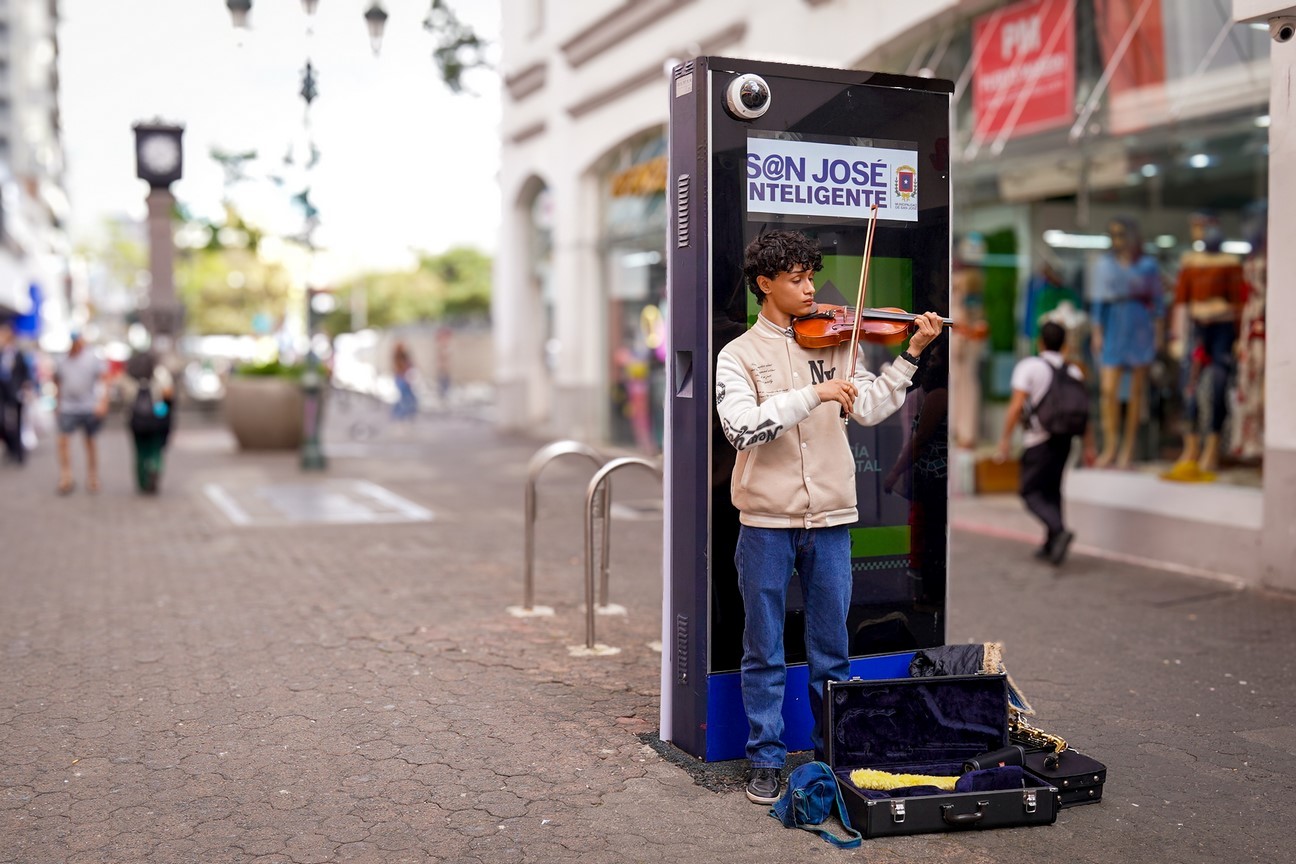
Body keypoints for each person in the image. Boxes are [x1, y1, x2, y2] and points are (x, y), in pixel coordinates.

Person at [714, 229, 944, 805]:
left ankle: (831, 754)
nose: (811, 289)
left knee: (831, 648)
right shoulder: (737, 355)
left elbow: (868, 407)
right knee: (763, 649)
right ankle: (765, 759)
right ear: (765, 285)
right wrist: (813, 396)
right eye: (797, 279)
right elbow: (741, 427)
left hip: (833, 520)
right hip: (766, 522)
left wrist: (911, 355)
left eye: (812, 276)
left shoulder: (839, 342)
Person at [995, 320, 1096, 565]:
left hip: (1039, 439)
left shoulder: (1029, 366)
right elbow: (1085, 411)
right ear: (1063, 345)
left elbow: (1017, 405)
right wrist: (1090, 446)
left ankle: (1059, 530)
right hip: (1065, 439)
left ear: (1040, 342)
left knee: (1029, 491)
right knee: (1052, 490)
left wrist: (1005, 439)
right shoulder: (1074, 371)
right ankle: (1051, 544)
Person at [1163, 212, 1244, 481]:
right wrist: (1177, 336)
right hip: (1196, 329)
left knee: (1219, 384)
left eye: (1204, 227)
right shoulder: (1191, 263)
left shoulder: (1230, 264)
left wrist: (1238, 337)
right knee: (1190, 387)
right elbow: (1181, 303)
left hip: (1221, 330)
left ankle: (1212, 445)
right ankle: (1191, 445)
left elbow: (1238, 303)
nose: (1200, 233)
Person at [1089, 216, 1163, 469]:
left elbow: (1158, 302)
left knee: (1135, 394)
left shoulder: (1147, 266)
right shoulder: (1105, 264)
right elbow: (1098, 301)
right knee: (1108, 390)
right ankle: (1110, 444)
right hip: (1114, 323)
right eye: (1114, 235)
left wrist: (1159, 333)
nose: (1118, 240)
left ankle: (1128, 448)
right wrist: (1097, 331)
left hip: (1139, 323)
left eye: (1122, 234)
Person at [54, 331, 110, 495]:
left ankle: (92, 476)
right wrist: (58, 404)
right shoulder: (63, 360)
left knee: (90, 442)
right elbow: (57, 381)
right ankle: (66, 476)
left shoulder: (92, 358)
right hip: (68, 406)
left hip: (88, 406)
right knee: (63, 442)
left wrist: (102, 402)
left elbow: (104, 379)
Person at [121, 347, 175, 493]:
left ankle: (143, 481)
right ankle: (155, 467)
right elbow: (168, 394)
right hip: (156, 418)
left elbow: (124, 396)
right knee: (155, 448)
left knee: (139, 451)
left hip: (135, 419)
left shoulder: (130, 375)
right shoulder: (160, 373)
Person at [0, 319, 33, 464]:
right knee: (2, 421)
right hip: (2, 393)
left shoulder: (18, 353)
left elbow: (25, 373)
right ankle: (11, 446)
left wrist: (26, 388)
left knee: (19, 422)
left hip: (16, 392)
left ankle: (20, 454)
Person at [391, 340, 418, 421]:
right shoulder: (398, 357)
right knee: (405, 398)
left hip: (405, 379)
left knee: (408, 398)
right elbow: (400, 368)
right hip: (401, 379)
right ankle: (398, 414)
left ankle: (403, 414)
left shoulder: (404, 356)